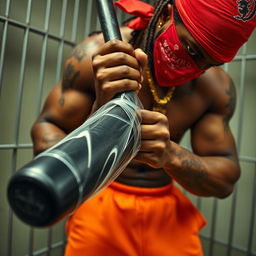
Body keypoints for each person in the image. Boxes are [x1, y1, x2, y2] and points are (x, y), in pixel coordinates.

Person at [31, 0, 255, 255]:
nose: (196, 69)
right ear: (167, 15)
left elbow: (224, 181)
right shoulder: (98, 56)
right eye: (192, 50)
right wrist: (100, 117)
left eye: (209, 63)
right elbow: (46, 136)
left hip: (167, 212)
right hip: (100, 202)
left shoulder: (214, 88)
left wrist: (171, 155)